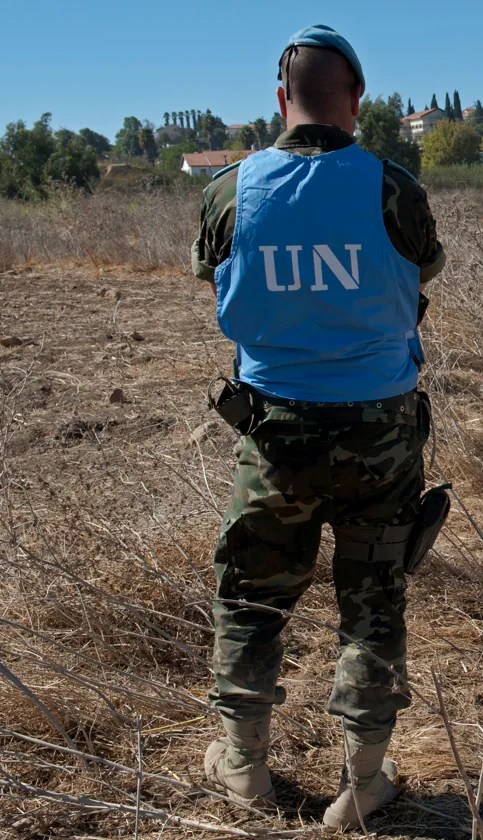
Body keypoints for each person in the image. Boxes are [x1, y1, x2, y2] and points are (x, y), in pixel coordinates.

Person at [190, 24, 446, 829]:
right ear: (358, 101)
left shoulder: (230, 190)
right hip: (381, 435)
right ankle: (364, 783)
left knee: (253, 597)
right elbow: (425, 266)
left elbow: (212, 276)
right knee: (373, 598)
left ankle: (244, 767)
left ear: (279, 98)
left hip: (275, 434)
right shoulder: (392, 186)